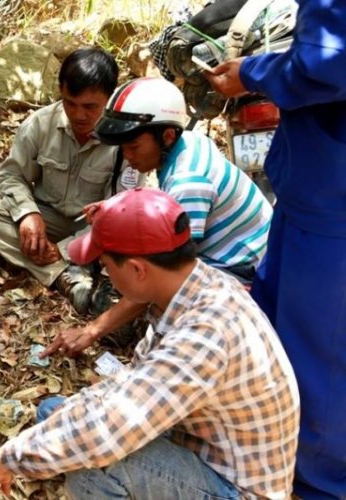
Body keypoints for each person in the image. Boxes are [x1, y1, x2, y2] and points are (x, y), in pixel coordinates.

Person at [0, 188, 300, 500]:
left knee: (96, 463)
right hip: (195, 441)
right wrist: (33, 443)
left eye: (105, 266)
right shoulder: (194, 286)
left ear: (136, 269)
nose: (107, 276)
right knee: (54, 415)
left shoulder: (204, 335)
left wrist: (6, 460)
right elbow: (127, 387)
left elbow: (109, 431)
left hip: (233, 486)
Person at [204, 1, 346, 497]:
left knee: (319, 365)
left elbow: (326, 63)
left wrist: (253, 72)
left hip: (331, 203)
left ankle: (315, 483)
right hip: (310, 190)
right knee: (276, 327)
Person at [43, 77, 273, 357]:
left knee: (146, 309)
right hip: (236, 259)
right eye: (123, 148)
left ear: (166, 136)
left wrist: (92, 330)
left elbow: (170, 268)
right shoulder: (188, 142)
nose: (127, 157)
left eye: (134, 147)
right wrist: (117, 208)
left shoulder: (189, 182)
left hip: (242, 276)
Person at [0, 47, 142, 314]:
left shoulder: (124, 141)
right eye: (69, 103)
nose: (78, 115)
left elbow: (120, 211)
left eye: (90, 106)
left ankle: (77, 265)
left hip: (96, 227)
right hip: (47, 217)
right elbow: (12, 176)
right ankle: (65, 276)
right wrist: (28, 215)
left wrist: (64, 249)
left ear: (109, 98)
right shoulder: (40, 124)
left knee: (130, 235)